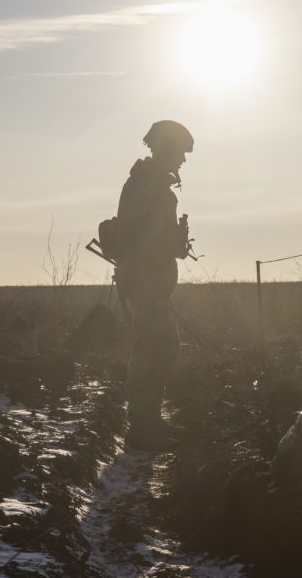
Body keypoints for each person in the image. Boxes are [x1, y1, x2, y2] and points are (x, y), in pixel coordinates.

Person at [116, 120, 194, 451]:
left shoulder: (149, 185)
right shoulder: (145, 187)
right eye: (180, 153)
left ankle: (148, 424)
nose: (183, 161)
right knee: (155, 350)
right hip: (147, 284)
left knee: (159, 349)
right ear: (164, 150)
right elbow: (142, 239)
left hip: (150, 283)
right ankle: (144, 429)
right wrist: (169, 243)